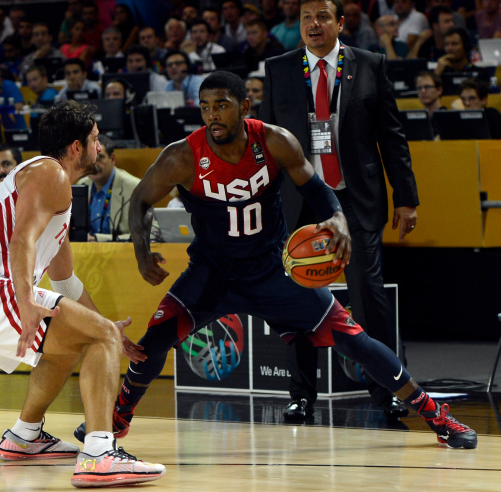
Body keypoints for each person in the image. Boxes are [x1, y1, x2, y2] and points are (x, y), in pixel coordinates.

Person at [69, 70, 477, 450]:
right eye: (206, 106)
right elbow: (140, 200)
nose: (213, 114)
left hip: (274, 269)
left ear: (245, 107)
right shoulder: (183, 156)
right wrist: (142, 252)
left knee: (357, 342)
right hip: (212, 273)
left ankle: (437, 416)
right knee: (152, 343)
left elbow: (317, 190)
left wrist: (337, 217)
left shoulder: (275, 141)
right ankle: (114, 421)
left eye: (223, 105)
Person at [0, 100, 166, 487]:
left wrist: (107, 328)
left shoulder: (54, 188)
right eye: (94, 140)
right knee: (97, 338)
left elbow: (66, 283)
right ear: (76, 147)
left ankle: (24, 437)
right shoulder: (51, 173)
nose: (99, 147)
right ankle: (98, 453)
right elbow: (20, 239)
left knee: (77, 342)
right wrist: (27, 300)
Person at [259, 0, 419, 423]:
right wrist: (261, 204)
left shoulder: (369, 64)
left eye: (323, 17)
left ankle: (388, 390)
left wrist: (406, 197)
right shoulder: (278, 69)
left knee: (368, 294)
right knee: (297, 300)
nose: (314, 24)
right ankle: (301, 396)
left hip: (355, 199)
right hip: (300, 202)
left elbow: (392, 137)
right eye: (306, 18)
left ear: (340, 23)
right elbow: (267, 144)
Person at [77, 135, 140, 242]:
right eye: (89, 158)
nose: (94, 164)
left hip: (120, 254)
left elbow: (150, 233)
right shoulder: (81, 186)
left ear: (112, 159)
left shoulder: (134, 188)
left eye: (100, 157)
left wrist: (97, 239)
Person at [416, 70, 446, 137]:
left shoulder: (447, 118)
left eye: (427, 87)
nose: (423, 91)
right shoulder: (417, 121)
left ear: (439, 90)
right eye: (419, 88)